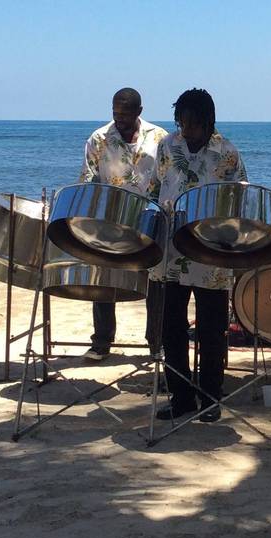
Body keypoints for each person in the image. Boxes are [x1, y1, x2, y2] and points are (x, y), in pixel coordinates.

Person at [152, 88, 247, 422]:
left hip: (211, 252)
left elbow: (241, 201)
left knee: (211, 329)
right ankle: (180, 398)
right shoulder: (167, 146)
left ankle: (209, 399)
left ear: (208, 121)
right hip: (171, 251)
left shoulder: (228, 153)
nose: (184, 129)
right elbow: (155, 188)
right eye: (180, 122)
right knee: (171, 328)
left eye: (191, 123)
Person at [79, 88, 167, 360]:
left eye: (125, 114)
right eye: (115, 113)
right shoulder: (99, 139)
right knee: (103, 278)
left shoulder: (160, 138)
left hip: (150, 217)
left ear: (139, 112)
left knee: (156, 281)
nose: (119, 119)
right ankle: (101, 342)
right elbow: (88, 179)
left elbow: (168, 177)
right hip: (111, 217)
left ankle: (157, 344)